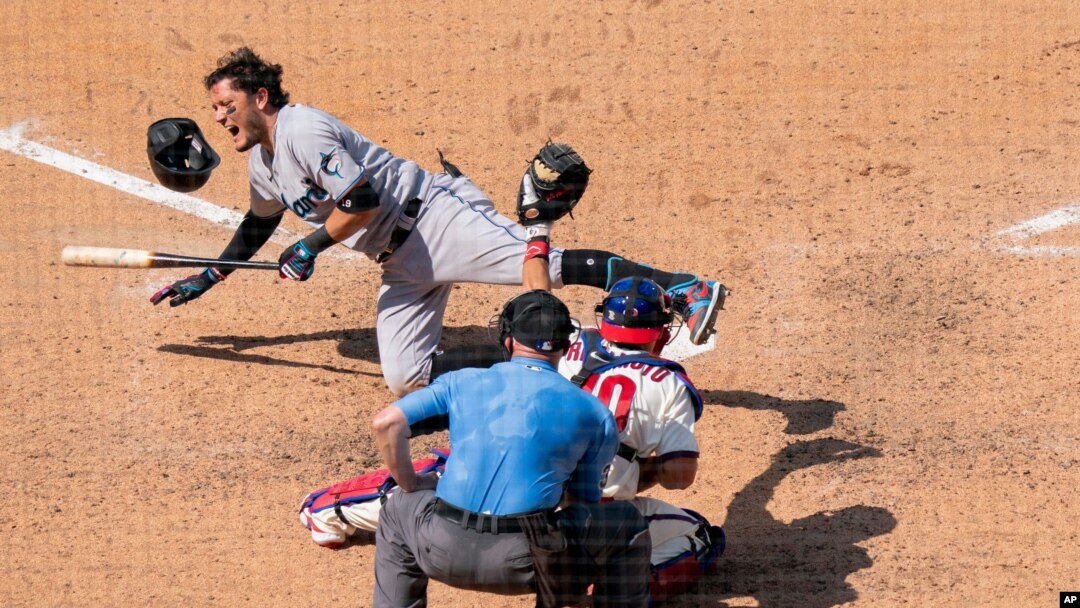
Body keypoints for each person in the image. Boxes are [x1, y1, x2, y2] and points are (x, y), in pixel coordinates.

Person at [149, 46, 726, 396]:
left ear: (262, 97)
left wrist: (312, 246)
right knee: (406, 377)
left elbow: (363, 202)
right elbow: (256, 226)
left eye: (227, 104)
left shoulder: (301, 128)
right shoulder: (267, 165)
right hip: (400, 262)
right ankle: (574, 353)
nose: (220, 116)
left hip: (432, 219)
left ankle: (684, 286)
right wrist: (208, 276)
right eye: (215, 109)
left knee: (540, 264)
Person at [370, 289, 651, 607]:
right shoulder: (595, 413)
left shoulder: (460, 381)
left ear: (507, 340)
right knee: (627, 523)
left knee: (398, 509)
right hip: (527, 563)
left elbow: (387, 424)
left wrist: (411, 483)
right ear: (566, 345)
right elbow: (580, 505)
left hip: (440, 549)